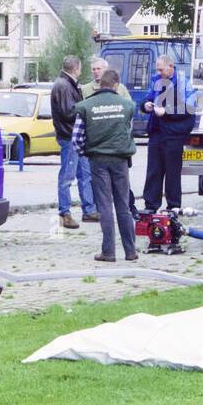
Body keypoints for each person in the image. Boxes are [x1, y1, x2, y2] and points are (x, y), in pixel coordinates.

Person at [73, 69, 139, 263]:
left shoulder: (85, 106)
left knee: (104, 206)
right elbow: (128, 131)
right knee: (124, 206)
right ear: (116, 85)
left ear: (100, 84)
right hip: (121, 161)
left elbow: (76, 138)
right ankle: (130, 251)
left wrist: (87, 152)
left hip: (98, 160)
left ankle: (108, 252)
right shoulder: (127, 106)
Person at [141, 54, 196, 212]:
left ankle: (173, 206)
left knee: (172, 172)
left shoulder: (184, 84)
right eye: (157, 69)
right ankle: (150, 206)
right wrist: (146, 105)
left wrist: (166, 112)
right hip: (156, 133)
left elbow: (189, 108)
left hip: (174, 134)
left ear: (170, 66)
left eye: (161, 69)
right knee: (153, 170)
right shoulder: (156, 82)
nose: (158, 73)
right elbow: (146, 98)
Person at [50, 55, 98, 229]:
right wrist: (86, 108)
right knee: (67, 176)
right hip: (69, 136)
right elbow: (67, 112)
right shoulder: (63, 85)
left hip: (75, 136)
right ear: (76, 68)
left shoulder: (65, 84)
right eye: (80, 68)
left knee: (85, 174)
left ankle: (89, 210)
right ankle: (65, 213)